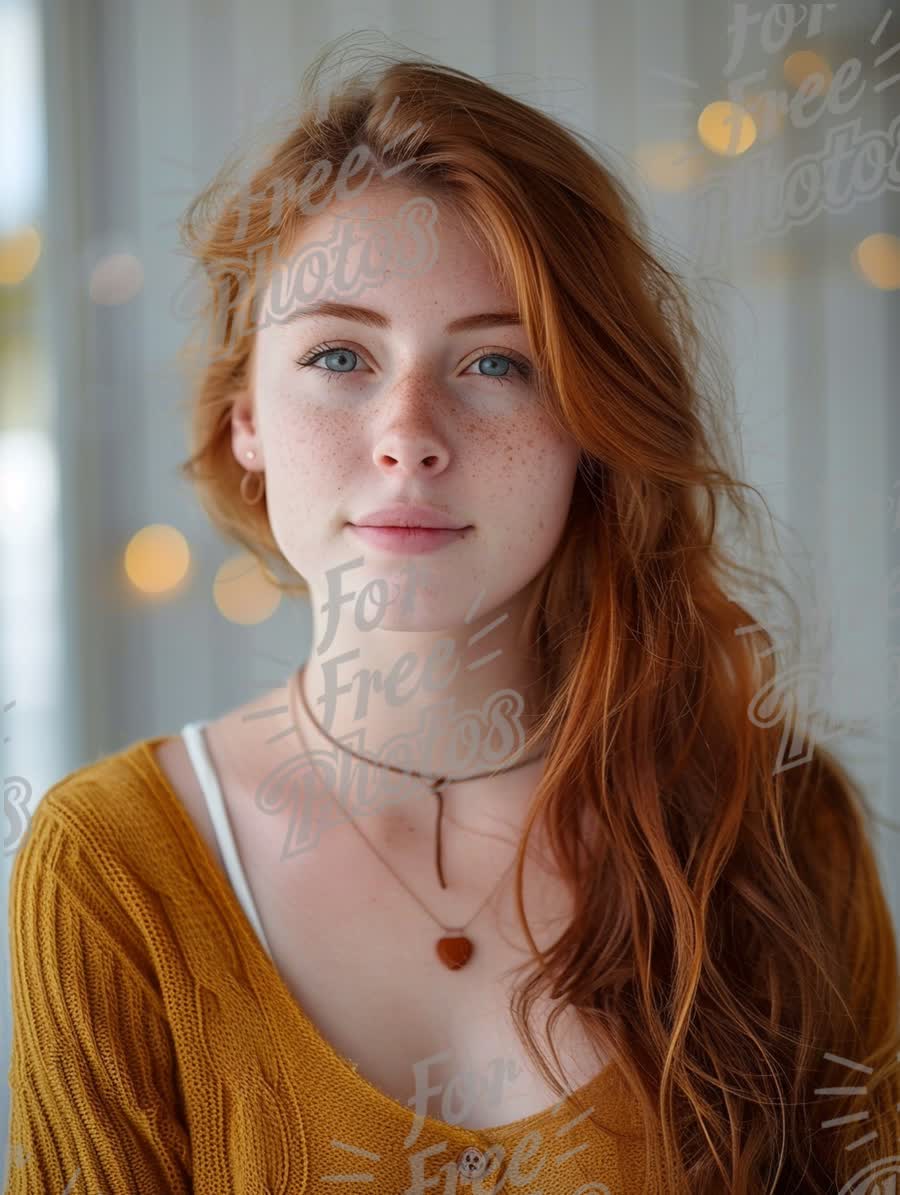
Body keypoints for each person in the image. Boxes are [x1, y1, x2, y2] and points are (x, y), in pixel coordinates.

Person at [5, 40, 899, 1195]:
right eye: (339, 354)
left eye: (495, 364)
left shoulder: (772, 822)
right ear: (248, 425)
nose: (410, 432)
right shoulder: (111, 867)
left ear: (590, 429)